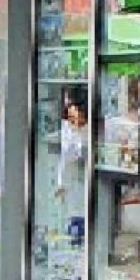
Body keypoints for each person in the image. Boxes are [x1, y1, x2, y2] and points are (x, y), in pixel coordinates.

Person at [59, 96, 89, 248]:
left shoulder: (88, 131)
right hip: (72, 181)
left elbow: (80, 152)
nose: (73, 122)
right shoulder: (67, 129)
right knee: (72, 216)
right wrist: (60, 183)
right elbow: (67, 156)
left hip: (86, 181)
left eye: (76, 118)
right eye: (70, 118)